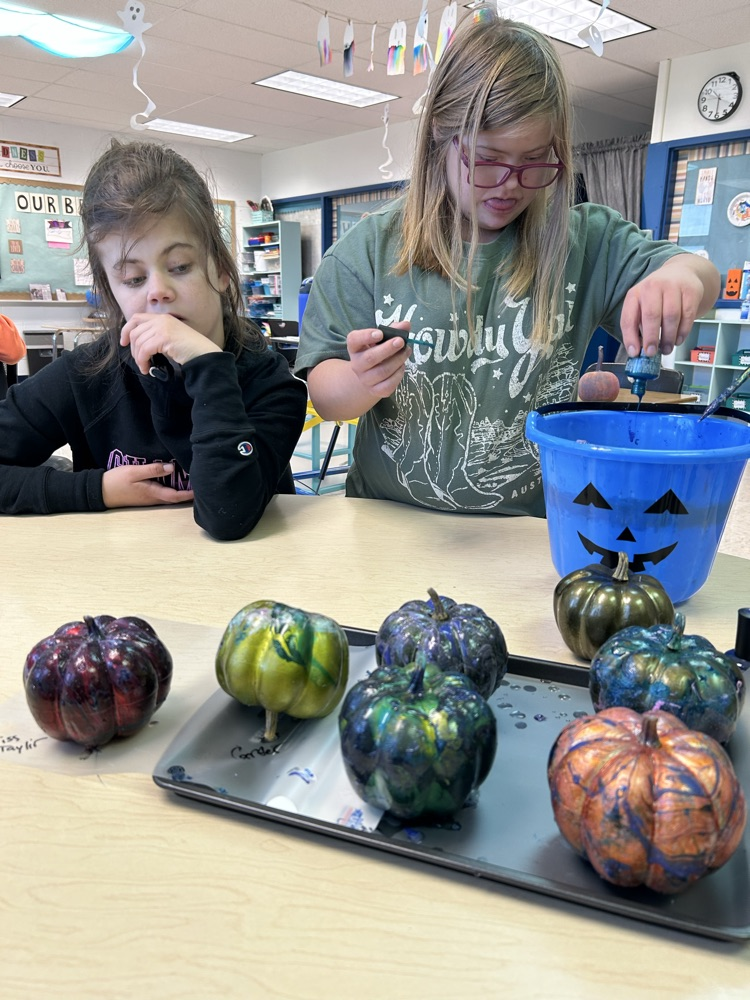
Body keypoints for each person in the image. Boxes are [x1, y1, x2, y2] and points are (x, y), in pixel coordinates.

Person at [295, 10, 720, 516]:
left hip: (524, 527)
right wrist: (360, 381)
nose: (511, 184)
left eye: (535, 161)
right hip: (388, 519)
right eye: (488, 159)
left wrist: (680, 277)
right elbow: (326, 397)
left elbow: (700, 274)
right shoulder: (369, 248)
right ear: (440, 137)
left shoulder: (587, 241)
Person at [0, 140, 307, 540]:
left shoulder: (270, 382)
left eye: (179, 266)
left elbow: (229, 514)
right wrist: (96, 490)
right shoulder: (86, 374)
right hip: (123, 572)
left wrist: (206, 365)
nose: (158, 291)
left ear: (221, 270)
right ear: (111, 291)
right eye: (133, 279)